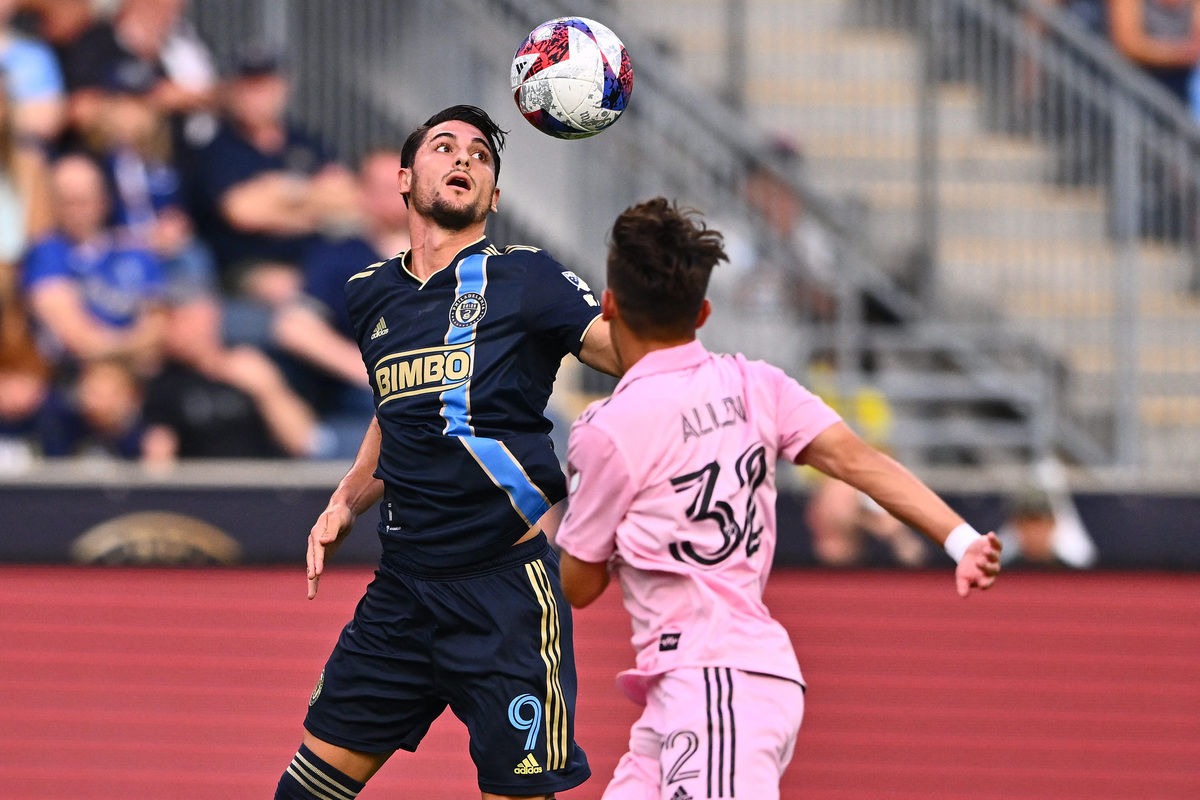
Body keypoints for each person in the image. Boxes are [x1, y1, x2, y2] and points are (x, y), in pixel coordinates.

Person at [554, 197, 1002, 800]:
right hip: (706, 689)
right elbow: (859, 461)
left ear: (608, 306)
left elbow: (579, 586)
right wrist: (962, 538)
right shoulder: (755, 384)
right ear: (704, 312)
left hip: (711, 687)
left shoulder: (607, 430)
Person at [277, 105, 619, 800]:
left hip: (505, 597)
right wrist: (347, 496)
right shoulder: (370, 294)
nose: (463, 158)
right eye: (443, 147)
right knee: (304, 793)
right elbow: (397, 411)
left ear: (493, 196)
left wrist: (654, 304)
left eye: (481, 156)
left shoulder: (528, 277)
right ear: (405, 179)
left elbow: (617, 351)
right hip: (402, 592)